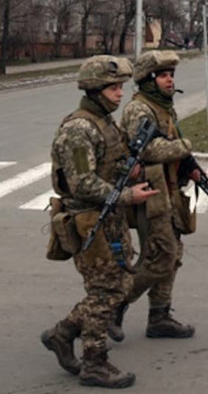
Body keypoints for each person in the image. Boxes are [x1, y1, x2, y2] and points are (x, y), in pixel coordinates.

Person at [41, 55, 157, 388]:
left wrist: (128, 171)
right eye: (113, 88)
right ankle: (94, 363)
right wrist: (127, 195)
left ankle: (63, 333)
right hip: (90, 220)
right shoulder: (79, 129)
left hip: (110, 218)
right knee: (104, 292)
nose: (120, 93)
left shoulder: (104, 122)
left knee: (119, 286)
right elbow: (82, 183)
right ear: (94, 90)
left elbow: (108, 165)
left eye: (120, 86)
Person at [108, 51, 198, 342]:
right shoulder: (139, 109)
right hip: (149, 193)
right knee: (161, 256)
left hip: (168, 190)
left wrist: (190, 166)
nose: (170, 80)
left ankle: (159, 315)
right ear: (149, 80)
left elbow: (167, 141)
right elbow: (147, 150)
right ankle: (115, 305)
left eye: (171, 75)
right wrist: (185, 146)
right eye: (163, 75)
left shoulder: (162, 107)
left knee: (172, 254)